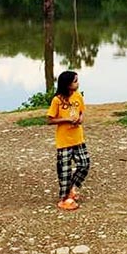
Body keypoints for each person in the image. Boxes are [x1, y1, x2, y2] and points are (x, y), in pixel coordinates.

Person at [46, 70, 91, 211]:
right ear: (67, 84)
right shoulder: (57, 100)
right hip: (64, 140)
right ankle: (65, 198)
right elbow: (50, 120)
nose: (77, 83)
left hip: (78, 138)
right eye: (75, 81)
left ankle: (72, 188)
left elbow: (82, 112)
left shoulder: (78, 96)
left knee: (84, 164)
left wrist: (80, 119)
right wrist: (66, 119)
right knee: (64, 171)